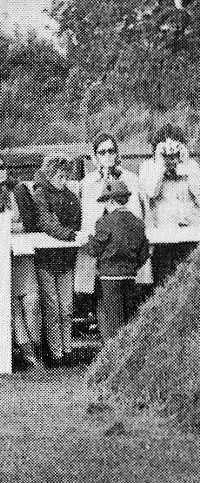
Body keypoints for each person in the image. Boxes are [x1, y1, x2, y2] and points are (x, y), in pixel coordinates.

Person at [75, 134, 146, 303]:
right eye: (102, 152)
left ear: (117, 154)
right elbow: (88, 218)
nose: (107, 156)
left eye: (111, 151)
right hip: (99, 250)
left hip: (125, 255)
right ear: (95, 156)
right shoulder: (88, 183)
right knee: (99, 300)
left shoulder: (131, 180)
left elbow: (136, 216)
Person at [138, 124, 200, 287]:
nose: (170, 155)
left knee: (192, 281)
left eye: (175, 150)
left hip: (190, 232)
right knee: (165, 281)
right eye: (165, 150)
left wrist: (185, 162)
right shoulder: (149, 166)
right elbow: (151, 192)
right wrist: (161, 165)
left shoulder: (190, 165)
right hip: (163, 236)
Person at [86, 177, 150, 343]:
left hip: (109, 276)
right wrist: (133, 265)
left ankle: (114, 355)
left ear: (111, 200)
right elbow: (144, 253)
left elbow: (95, 249)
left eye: (106, 202)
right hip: (130, 275)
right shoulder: (138, 223)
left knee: (113, 319)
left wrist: (89, 241)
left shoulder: (104, 222)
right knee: (129, 316)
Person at [32, 156, 81, 367]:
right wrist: (68, 233)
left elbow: (77, 217)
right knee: (52, 305)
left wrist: (68, 231)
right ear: (50, 174)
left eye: (66, 176)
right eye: (60, 176)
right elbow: (45, 222)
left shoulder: (70, 196)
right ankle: (56, 352)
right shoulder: (40, 194)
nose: (64, 179)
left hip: (65, 259)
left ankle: (68, 349)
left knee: (67, 306)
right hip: (46, 260)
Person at [1, 156, 44, 370]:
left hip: (22, 254)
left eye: (1, 166)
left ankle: (37, 349)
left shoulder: (17, 190)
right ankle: (29, 357)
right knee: (13, 306)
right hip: (2, 257)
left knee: (31, 301)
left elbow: (31, 222)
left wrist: (15, 228)